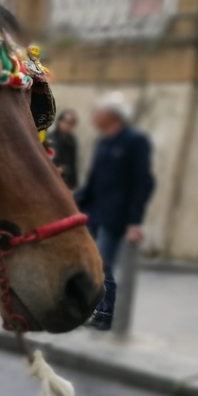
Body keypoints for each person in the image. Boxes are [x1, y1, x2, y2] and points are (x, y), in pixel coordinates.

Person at [74, 92, 156, 331]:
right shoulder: (103, 142)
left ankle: (106, 314)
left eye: (97, 112)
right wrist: (73, 200)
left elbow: (144, 182)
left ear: (111, 115)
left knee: (103, 265)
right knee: (88, 263)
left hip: (116, 217)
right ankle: (91, 308)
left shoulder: (134, 141)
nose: (94, 117)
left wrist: (134, 221)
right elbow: (95, 180)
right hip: (94, 211)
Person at [47, 110, 80, 190]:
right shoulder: (50, 139)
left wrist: (73, 183)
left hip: (66, 180)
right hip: (50, 179)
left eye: (71, 123)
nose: (68, 125)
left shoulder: (71, 140)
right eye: (66, 121)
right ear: (59, 121)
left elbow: (73, 162)